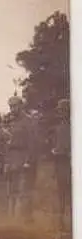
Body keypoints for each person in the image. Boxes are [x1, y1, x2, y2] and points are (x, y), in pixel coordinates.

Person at [5, 96, 36, 220]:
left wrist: (28, 160)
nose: (12, 109)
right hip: (13, 159)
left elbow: (32, 142)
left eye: (14, 106)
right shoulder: (11, 122)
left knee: (25, 191)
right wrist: (7, 161)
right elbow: (7, 143)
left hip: (24, 158)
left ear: (21, 106)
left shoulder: (28, 121)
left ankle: (26, 219)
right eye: (10, 106)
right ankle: (13, 219)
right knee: (13, 190)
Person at [51, 98, 71, 230]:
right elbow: (56, 145)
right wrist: (54, 150)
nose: (61, 113)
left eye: (64, 110)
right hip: (60, 163)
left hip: (69, 162)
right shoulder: (58, 128)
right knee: (61, 192)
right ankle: (62, 220)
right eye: (60, 110)